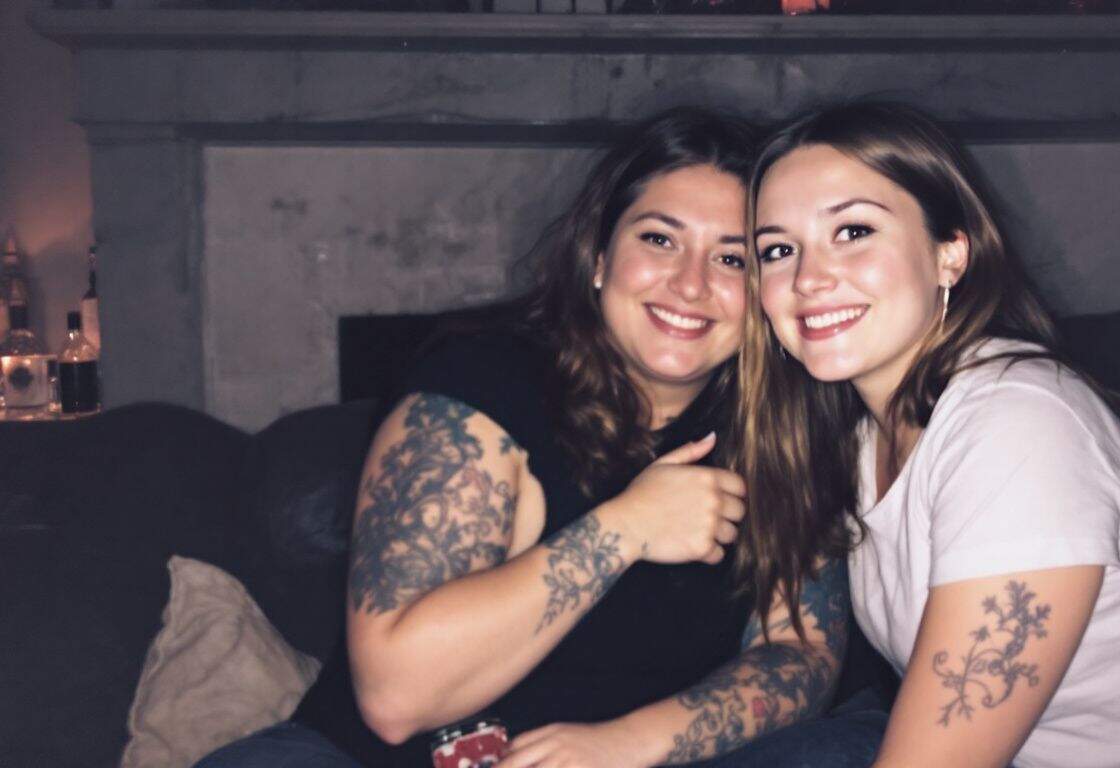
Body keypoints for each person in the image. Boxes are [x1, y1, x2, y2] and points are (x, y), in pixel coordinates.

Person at [195, 108, 852, 768]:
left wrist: (634, 743)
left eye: (731, 257)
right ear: (599, 258)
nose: (690, 283)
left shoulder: (783, 422)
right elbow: (395, 698)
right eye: (659, 240)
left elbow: (801, 651)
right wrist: (626, 528)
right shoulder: (482, 382)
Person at [738, 100, 1120, 768]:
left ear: (950, 253)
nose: (809, 278)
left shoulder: (1017, 422)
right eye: (778, 249)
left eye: (853, 231)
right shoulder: (863, 441)